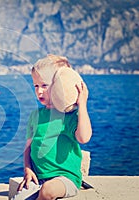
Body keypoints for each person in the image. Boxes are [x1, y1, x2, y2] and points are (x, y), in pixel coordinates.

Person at [15, 54, 92, 200]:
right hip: (38, 177)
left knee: (48, 190)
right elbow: (28, 147)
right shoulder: (35, 115)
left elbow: (84, 137)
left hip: (65, 178)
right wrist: (27, 169)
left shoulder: (69, 117)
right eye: (36, 86)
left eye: (44, 85)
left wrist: (82, 105)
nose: (39, 91)